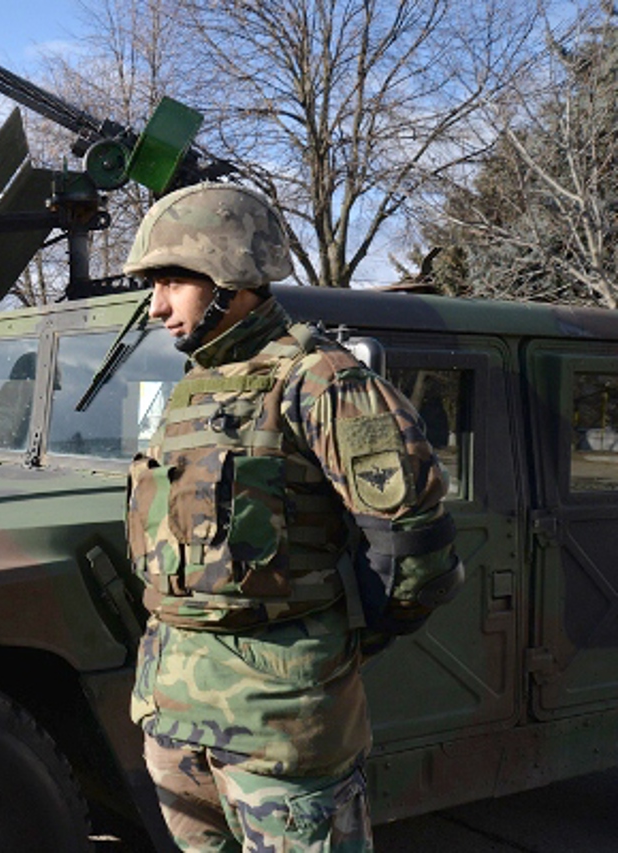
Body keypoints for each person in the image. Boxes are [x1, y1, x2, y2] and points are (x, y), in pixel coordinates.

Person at [123, 183, 464, 852]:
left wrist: (326, 650)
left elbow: (416, 552)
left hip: (279, 732)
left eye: (173, 280)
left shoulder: (323, 381)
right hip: (176, 718)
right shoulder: (192, 386)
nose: (156, 304)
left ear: (232, 275)